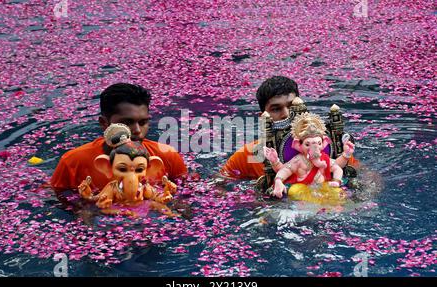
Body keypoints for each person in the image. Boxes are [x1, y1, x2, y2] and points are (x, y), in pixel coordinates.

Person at [51, 83, 187, 194]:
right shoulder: (72, 162)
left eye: (143, 122)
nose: (137, 131)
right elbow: (58, 199)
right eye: (127, 123)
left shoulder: (168, 156)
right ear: (104, 123)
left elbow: (185, 195)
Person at [220, 76, 358, 180]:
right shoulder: (250, 154)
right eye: (276, 109)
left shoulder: (329, 146)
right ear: (263, 117)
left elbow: (364, 177)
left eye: (292, 106)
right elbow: (220, 183)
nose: (287, 114)